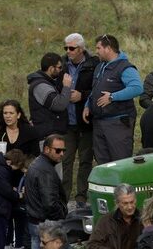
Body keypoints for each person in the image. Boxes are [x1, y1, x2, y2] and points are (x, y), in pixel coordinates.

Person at [83, 34, 143, 164]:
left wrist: (113, 97)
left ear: (108, 48)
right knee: (103, 162)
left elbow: (137, 88)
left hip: (118, 123)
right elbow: (95, 89)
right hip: (99, 122)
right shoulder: (100, 66)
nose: (96, 51)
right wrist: (88, 105)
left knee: (120, 162)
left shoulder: (125, 67)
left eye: (98, 48)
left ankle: (122, 185)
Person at [61, 33, 99, 208]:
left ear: (81, 49)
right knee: (65, 160)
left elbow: (97, 89)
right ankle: (63, 196)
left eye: (72, 48)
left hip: (86, 122)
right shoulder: (61, 65)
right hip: (66, 122)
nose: (68, 51)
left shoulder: (94, 64)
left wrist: (81, 96)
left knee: (85, 161)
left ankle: (81, 197)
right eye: (66, 48)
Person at [25, 134, 68, 249]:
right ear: (46, 149)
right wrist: (61, 216)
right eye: (58, 150)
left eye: (63, 150)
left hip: (35, 221)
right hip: (45, 224)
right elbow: (50, 204)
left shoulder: (38, 163)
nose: (62, 154)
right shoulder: (46, 171)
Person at [27, 52, 72, 140]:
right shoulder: (41, 86)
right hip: (47, 136)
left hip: (50, 133)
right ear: (51, 68)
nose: (61, 70)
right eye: (59, 67)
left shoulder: (47, 82)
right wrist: (66, 87)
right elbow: (59, 105)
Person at [88, 183, 142, 249]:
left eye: (132, 202)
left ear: (135, 200)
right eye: (125, 203)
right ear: (117, 203)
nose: (130, 207)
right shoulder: (106, 222)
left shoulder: (143, 218)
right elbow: (92, 245)